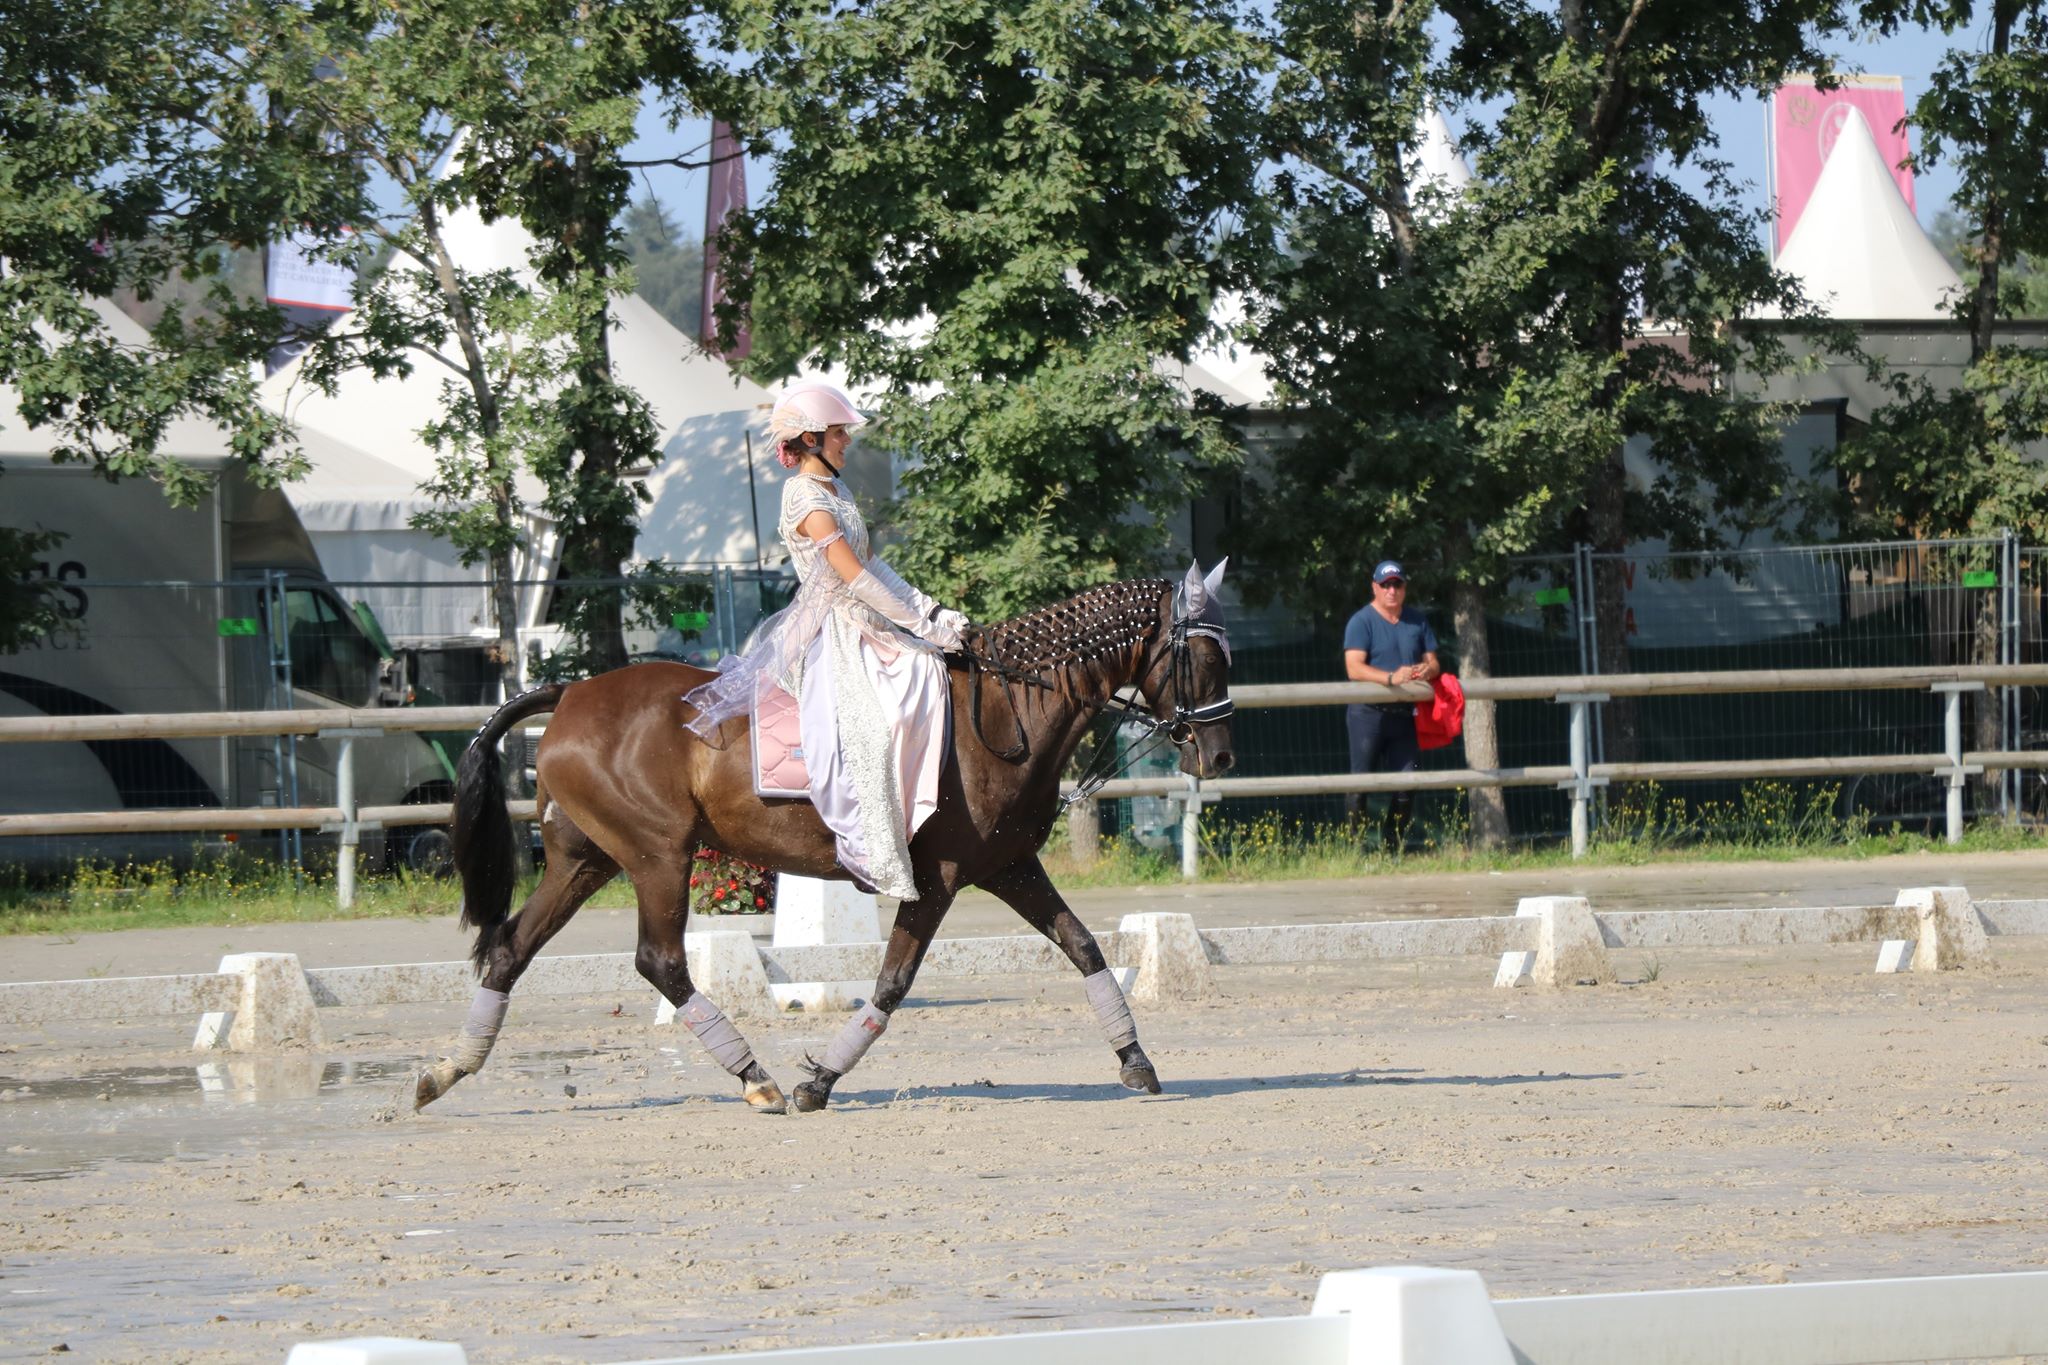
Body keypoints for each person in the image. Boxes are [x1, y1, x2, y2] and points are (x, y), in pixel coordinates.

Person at [683, 382, 968, 900]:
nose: (847, 441)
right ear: (812, 439)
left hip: (870, 621)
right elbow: (852, 575)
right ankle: (873, 845)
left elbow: (875, 563)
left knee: (928, 674)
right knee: (878, 721)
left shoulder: (838, 492)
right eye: (839, 433)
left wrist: (931, 609)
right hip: (832, 629)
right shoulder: (804, 496)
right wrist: (925, 631)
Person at [1341, 559, 1440, 850]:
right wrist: (1390, 678)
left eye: (1397, 584)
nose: (1391, 590)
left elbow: (1433, 661)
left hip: (1404, 716)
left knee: (1408, 782)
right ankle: (1355, 848)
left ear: (1404, 588)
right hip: (1367, 715)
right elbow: (1354, 668)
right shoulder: (1361, 621)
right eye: (1385, 585)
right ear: (1375, 587)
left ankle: (1391, 846)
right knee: (1361, 784)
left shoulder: (1417, 620)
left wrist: (1426, 670)